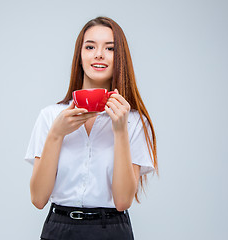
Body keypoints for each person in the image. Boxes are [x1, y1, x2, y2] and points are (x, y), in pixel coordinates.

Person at [24, 16, 158, 240]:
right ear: (80, 56)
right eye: (90, 47)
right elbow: (38, 199)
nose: (99, 54)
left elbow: (123, 201)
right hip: (58, 229)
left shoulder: (133, 121)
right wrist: (56, 134)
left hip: (111, 230)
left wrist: (120, 130)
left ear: (120, 58)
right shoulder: (50, 116)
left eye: (110, 48)